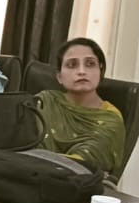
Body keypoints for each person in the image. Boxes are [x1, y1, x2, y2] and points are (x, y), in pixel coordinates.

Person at [33, 38, 127, 177]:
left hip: (79, 183)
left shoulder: (110, 120)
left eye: (90, 64)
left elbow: (83, 161)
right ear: (59, 77)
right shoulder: (44, 101)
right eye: (72, 65)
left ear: (101, 71)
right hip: (29, 175)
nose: (82, 71)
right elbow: (20, 142)